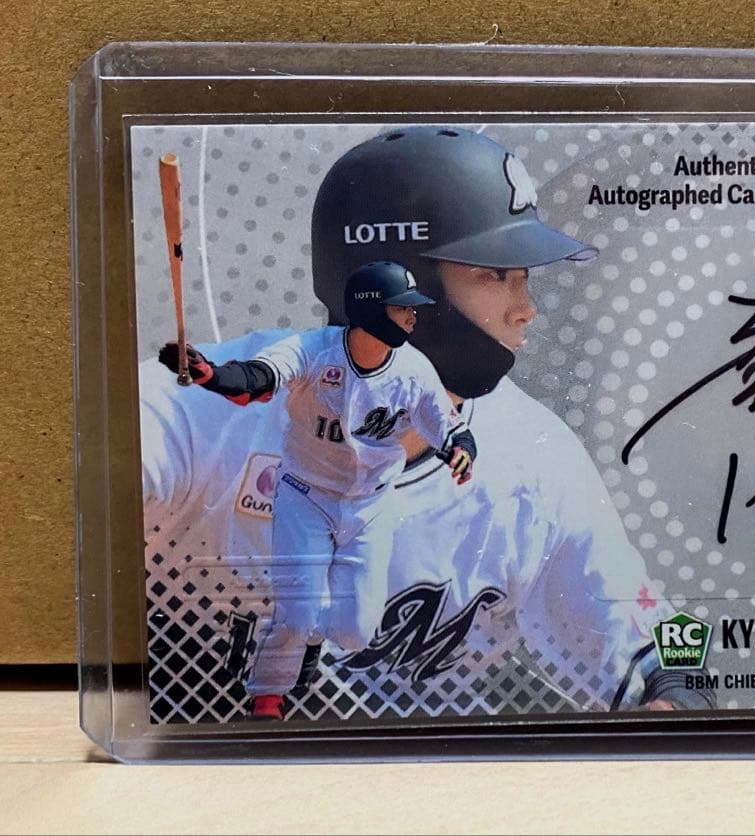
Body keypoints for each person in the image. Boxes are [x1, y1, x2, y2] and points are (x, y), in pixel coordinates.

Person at [140, 126, 714, 722]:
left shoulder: (534, 461)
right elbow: (105, 466)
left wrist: (677, 704)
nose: (527, 309)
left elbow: (669, 653)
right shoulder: (199, 417)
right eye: (495, 274)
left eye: (524, 276)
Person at [157, 260, 477, 721]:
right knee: (296, 615)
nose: (412, 315)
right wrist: (209, 373)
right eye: (401, 307)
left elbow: (451, 429)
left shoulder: (414, 370)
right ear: (370, 310)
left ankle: (308, 636)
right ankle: (267, 700)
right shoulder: (313, 350)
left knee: (355, 633)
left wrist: (461, 451)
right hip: (305, 497)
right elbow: (253, 383)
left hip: (370, 505)